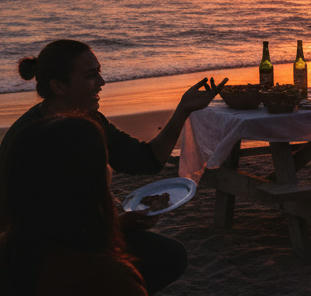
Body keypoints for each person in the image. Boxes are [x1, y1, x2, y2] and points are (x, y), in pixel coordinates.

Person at [0, 39, 227, 294]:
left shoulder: (91, 121)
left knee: (169, 256)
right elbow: (39, 226)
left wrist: (183, 110)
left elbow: (147, 160)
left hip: (82, 237)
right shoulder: (31, 140)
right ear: (58, 86)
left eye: (99, 72)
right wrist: (118, 225)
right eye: (91, 75)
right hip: (35, 255)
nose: (102, 82)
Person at [0, 115, 147, 295]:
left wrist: (118, 224)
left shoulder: (12, 252)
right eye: (103, 163)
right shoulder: (110, 278)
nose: (110, 170)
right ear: (87, 184)